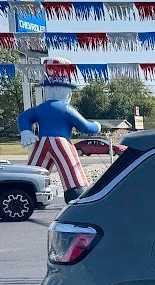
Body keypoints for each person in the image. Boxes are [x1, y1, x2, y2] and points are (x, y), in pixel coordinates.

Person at [17, 74, 100, 203]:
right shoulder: (66, 109)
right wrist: (96, 126)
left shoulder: (40, 108)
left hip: (41, 143)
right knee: (71, 170)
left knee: (34, 171)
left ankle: (23, 193)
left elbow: (23, 117)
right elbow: (85, 127)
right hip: (61, 143)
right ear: (66, 93)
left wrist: (26, 131)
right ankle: (76, 193)